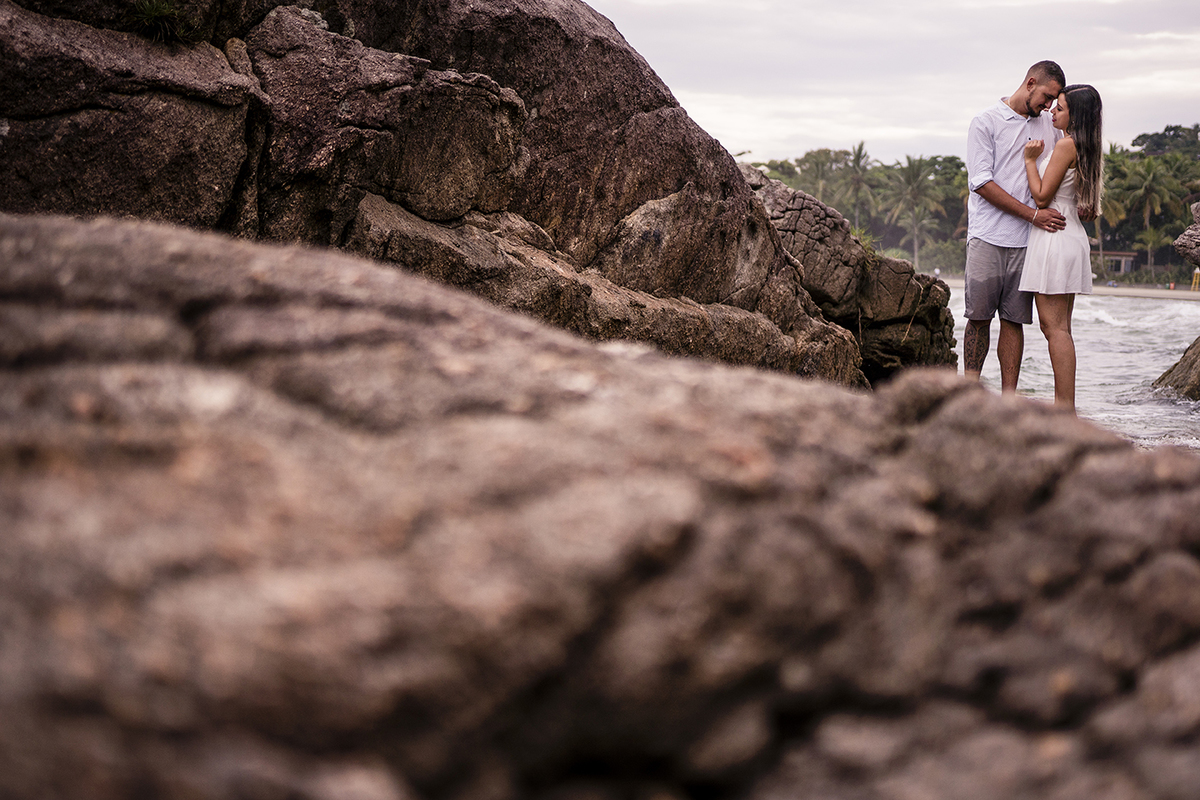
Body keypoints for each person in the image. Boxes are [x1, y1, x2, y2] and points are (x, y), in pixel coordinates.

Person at [964, 60, 1067, 392]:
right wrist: (1032, 215)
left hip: (1028, 243)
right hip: (987, 236)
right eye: (1047, 97)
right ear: (1031, 82)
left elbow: (1063, 169)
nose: (1049, 106)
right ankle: (968, 394)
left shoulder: (1049, 127)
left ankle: (1009, 402)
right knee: (978, 318)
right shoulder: (986, 122)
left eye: (1054, 101)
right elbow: (980, 183)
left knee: (1014, 320)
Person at [1019, 84, 1104, 412]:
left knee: (1054, 328)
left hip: (1055, 236)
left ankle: (1064, 409)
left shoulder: (1066, 145)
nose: (1052, 111)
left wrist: (1030, 160)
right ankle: (1065, 407)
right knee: (1059, 327)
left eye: (1061, 108)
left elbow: (1041, 197)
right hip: (1069, 233)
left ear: (1075, 115)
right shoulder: (1087, 146)